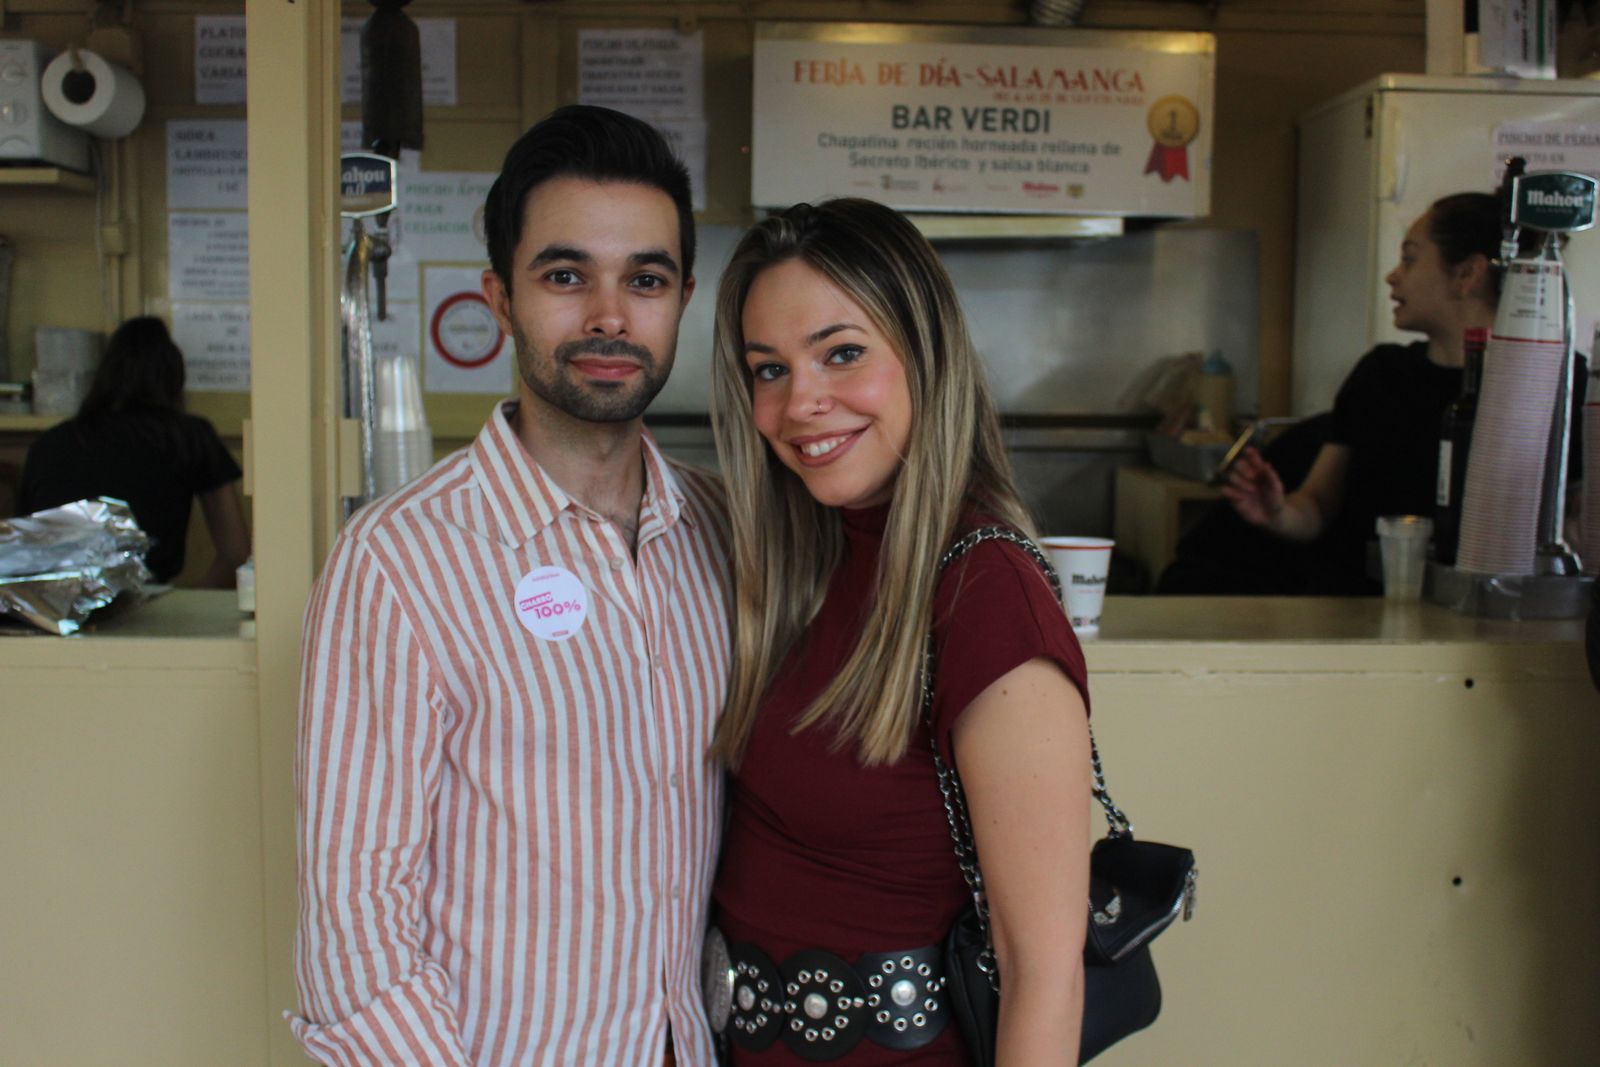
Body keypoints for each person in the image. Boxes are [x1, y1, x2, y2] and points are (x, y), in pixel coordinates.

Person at [291, 106, 730, 1067]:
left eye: (644, 280)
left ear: (683, 299)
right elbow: (354, 917)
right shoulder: (400, 563)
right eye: (566, 275)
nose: (610, 316)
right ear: (500, 296)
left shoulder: (726, 537)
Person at [706, 198, 1092, 1064]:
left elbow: (1045, 972)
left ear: (926, 356)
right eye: (768, 369)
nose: (801, 402)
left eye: (843, 353)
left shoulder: (986, 592)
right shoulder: (808, 558)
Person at [1223, 192, 1580, 594]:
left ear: (1468, 274)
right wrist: (1277, 512)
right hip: (1365, 612)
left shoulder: (1564, 385)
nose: (1393, 276)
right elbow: (1317, 508)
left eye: (1410, 259)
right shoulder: (1381, 375)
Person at [15, 315, 249, 587]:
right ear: (174, 377)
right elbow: (235, 553)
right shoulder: (187, 437)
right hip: (146, 602)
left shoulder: (51, 443)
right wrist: (190, 605)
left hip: (51, 603)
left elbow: (23, 548)